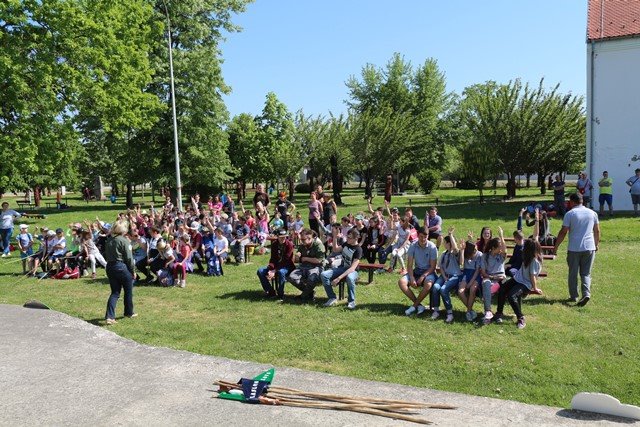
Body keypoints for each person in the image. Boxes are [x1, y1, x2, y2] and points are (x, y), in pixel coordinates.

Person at [494, 209, 544, 329]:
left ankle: (521, 318)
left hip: (526, 283)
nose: (523, 247)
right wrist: (537, 220)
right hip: (517, 278)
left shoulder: (534, 260)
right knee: (502, 289)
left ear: (529, 250)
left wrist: (535, 288)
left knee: (512, 296)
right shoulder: (530, 249)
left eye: (525, 247)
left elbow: (532, 276)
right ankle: (499, 313)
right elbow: (536, 235)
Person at [553, 193, 600, 306]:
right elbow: (597, 230)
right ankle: (586, 294)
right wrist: (596, 244)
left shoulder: (570, 214)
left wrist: (556, 247)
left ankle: (574, 296)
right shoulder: (592, 213)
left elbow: (563, 232)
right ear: (582, 201)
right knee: (586, 273)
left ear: (572, 201)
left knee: (573, 273)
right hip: (589, 247)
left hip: (574, 248)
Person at [397, 227, 438, 316]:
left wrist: (423, 276)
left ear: (428, 236)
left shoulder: (432, 247)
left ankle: (414, 306)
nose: (423, 239)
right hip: (417, 270)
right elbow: (409, 265)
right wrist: (411, 277)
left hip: (429, 272)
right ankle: (419, 305)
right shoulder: (413, 245)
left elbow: (433, 267)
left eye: (425, 237)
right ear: (418, 235)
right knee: (401, 282)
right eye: (421, 237)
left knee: (428, 284)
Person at [321, 228, 362, 309]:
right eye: (347, 237)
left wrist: (338, 278)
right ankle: (332, 298)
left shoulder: (358, 250)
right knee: (324, 274)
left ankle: (351, 301)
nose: (347, 239)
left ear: (356, 238)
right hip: (343, 268)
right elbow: (335, 249)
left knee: (350, 278)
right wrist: (335, 237)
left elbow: (352, 268)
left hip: (353, 271)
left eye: (349, 237)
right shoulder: (346, 244)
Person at [104, 221, 136, 325]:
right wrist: (133, 271)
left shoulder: (109, 240)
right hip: (121, 266)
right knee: (128, 291)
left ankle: (109, 316)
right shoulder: (124, 241)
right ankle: (129, 312)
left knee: (115, 292)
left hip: (110, 266)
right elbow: (129, 258)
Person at [430, 227, 462, 323]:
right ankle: (436, 310)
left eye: (444, 242)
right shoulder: (444, 253)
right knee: (435, 287)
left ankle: (449, 313)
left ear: (449, 243)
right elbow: (441, 268)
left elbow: (455, 248)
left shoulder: (455, 253)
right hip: (445, 276)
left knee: (443, 290)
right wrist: (444, 277)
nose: (443, 243)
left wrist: (450, 235)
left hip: (454, 276)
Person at [478, 228, 507, 324]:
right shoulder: (485, 256)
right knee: (485, 283)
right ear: (494, 248)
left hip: (501, 280)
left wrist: (501, 236)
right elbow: (483, 273)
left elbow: (505, 249)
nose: (501, 249)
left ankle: (495, 314)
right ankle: (488, 312)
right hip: (490, 278)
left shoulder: (501, 256)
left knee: (495, 288)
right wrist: (493, 278)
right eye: (499, 247)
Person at [257, 229, 295, 300]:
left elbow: (286, 260)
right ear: (277, 236)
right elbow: (273, 259)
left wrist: (275, 270)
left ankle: (280, 295)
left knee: (281, 272)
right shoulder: (274, 244)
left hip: (287, 266)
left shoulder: (289, 245)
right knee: (260, 271)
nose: (283, 238)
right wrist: (271, 269)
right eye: (281, 237)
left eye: (284, 237)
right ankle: (271, 292)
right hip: (276, 267)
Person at [288, 228, 325, 301]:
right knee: (292, 277)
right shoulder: (302, 246)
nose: (301, 241)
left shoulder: (318, 245)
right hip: (304, 266)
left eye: (303, 239)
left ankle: (303, 296)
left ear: (310, 238)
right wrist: (296, 257)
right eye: (301, 239)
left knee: (311, 279)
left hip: (316, 267)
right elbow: (297, 261)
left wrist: (306, 259)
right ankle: (310, 293)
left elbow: (318, 260)